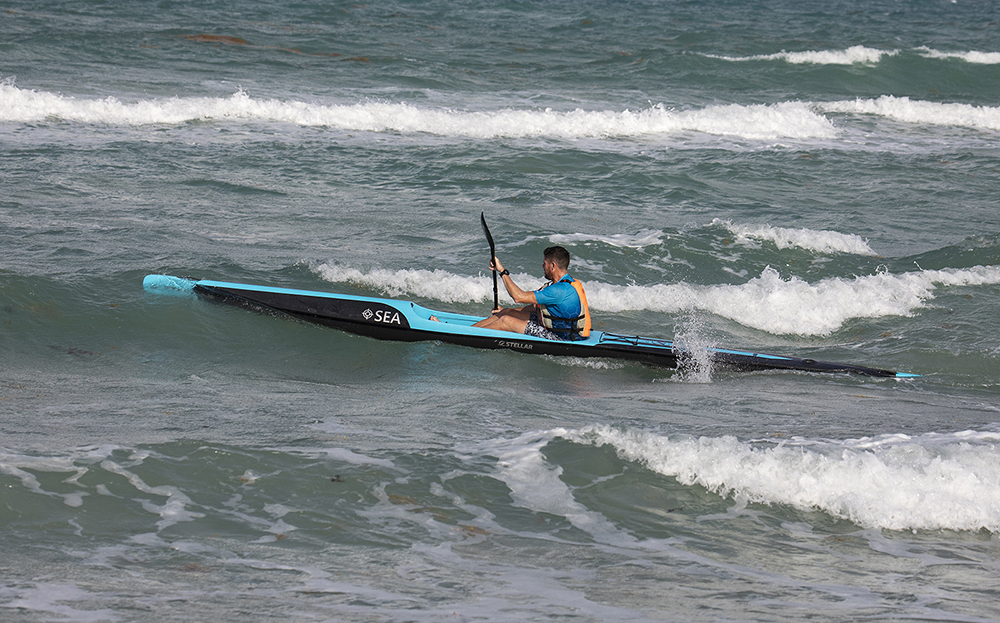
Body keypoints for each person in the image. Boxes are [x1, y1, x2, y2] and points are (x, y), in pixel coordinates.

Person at [473, 246, 591, 340]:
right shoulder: (566, 282)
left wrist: (502, 271)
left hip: (562, 337)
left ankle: (468, 336)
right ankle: (470, 330)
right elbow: (536, 307)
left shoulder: (558, 290)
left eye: (545, 263)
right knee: (507, 312)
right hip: (555, 327)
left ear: (553, 266)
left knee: (506, 321)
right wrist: (508, 310)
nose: (543, 266)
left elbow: (518, 297)